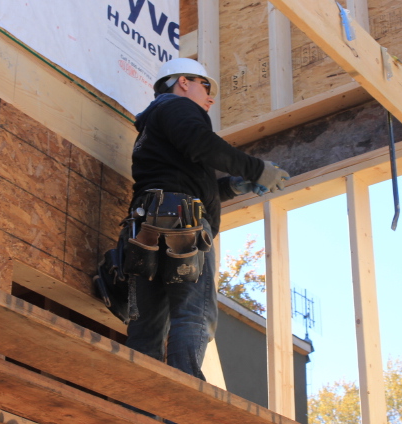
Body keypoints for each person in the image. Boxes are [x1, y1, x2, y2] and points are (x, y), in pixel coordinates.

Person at [124, 57, 290, 380]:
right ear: (183, 82)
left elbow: (180, 181)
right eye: (205, 85)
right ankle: (185, 393)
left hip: (146, 228)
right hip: (180, 222)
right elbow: (202, 144)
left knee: (147, 327)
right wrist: (257, 169)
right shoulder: (177, 106)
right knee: (193, 311)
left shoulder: (152, 128)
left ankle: (136, 402)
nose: (210, 98)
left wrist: (233, 186)